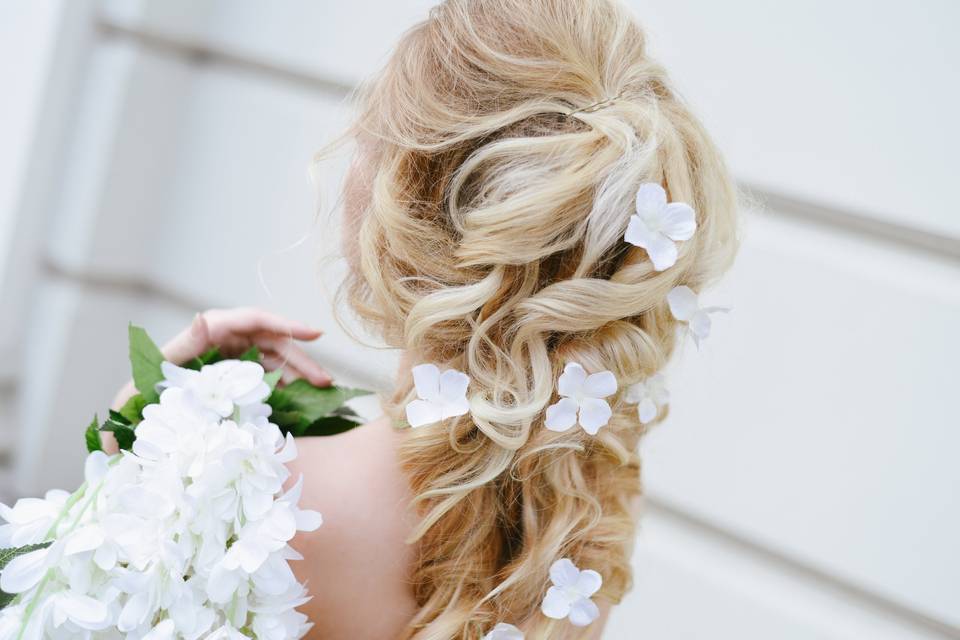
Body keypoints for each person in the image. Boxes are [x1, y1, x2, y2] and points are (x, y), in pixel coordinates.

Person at [112, 0, 739, 637]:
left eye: (369, 141)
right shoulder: (579, 526)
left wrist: (143, 419)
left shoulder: (260, 504)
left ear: (401, 202)